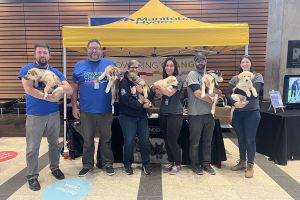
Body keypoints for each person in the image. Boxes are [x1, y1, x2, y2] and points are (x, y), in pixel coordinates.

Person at [18, 44, 73, 191]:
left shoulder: (56, 73)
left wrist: (60, 91)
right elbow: (29, 89)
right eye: (39, 52)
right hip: (35, 114)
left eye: (45, 52)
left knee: (54, 144)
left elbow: (69, 89)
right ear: (35, 54)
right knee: (32, 147)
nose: (42, 55)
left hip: (53, 114)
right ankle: (32, 176)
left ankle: (55, 168)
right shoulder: (27, 70)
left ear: (49, 55)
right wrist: (49, 97)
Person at [71, 39, 115, 176]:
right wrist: (74, 106)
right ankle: (87, 165)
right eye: (91, 48)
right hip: (86, 111)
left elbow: (115, 84)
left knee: (106, 139)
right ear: (87, 50)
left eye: (97, 48)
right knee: (87, 140)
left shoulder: (110, 64)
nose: (94, 51)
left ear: (101, 50)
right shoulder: (79, 66)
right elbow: (74, 88)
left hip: (105, 110)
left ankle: (107, 163)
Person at [226, 55, 264, 178]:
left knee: (250, 139)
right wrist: (234, 103)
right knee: (241, 139)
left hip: (252, 113)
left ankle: (250, 165)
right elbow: (227, 94)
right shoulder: (235, 78)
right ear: (240, 64)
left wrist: (236, 93)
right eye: (243, 62)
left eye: (247, 62)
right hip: (238, 113)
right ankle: (242, 161)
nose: (245, 64)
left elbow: (255, 92)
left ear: (251, 64)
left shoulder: (257, 76)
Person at [186, 52, 220, 175]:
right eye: (198, 61)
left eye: (203, 60)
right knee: (195, 142)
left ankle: (206, 163)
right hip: (195, 115)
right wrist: (211, 100)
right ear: (195, 62)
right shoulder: (192, 74)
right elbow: (197, 93)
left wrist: (215, 92)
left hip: (209, 115)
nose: (200, 63)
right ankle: (195, 164)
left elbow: (218, 92)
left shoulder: (210, 76)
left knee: (207, 141)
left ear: (206, 61)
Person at [118, 60, 152, 175]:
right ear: (128, 69)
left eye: (136, 67)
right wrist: (142, 105)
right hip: (128, 117)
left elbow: (147, 95)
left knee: (145, 140)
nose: (134, 69)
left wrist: (146, 96)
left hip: (142, 117)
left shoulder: (140, 81)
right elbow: (126, 100)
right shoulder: (124, 82)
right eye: (132, 67)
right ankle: (127, 164)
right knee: (129, 141)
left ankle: (146, 164)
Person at [152, 57, 184, 175]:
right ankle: (171, 161)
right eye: (167, 66)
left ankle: (178, 164)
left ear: (175, 67)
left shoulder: (178, 79)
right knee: (166, 139)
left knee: (172, 140)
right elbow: (160, 94)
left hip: (175, 114)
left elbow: (169, 93)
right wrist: (156, 91)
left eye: (171, 65)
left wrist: (157, 85)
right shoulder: (164, 80)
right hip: (164, 113)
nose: (169, 68)